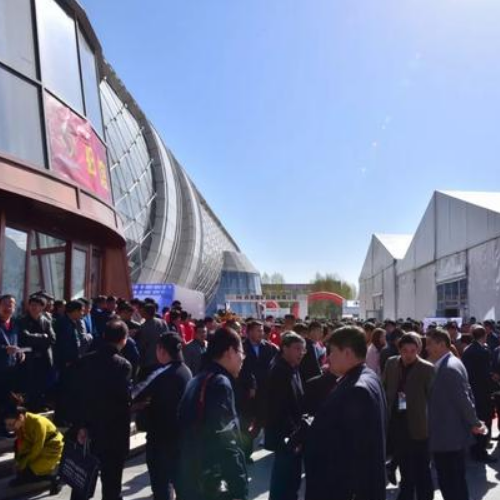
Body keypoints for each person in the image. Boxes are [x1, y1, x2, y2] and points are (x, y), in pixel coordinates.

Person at [305, 325, 387, 500]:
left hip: (345, 489)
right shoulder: (367, 376)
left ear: (347, 353)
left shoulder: (357, 389)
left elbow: (355, 450)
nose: (328, 357)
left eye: (332, 352)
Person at [177, 327, 248, 500]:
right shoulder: (220, 383)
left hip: (190, 474)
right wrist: (239, 488)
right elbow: (226, 440)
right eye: (241, 352)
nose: (243, 358)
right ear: (230, 352)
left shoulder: (198, 379)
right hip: (212, 481)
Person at [70, 320, 132, 500]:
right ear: (124, 339)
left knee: (81, 481)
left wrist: (80, 425)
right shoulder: (123, 365)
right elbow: (123, 400)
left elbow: (76, 396)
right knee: (111, 484)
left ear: (104, 336)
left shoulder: (85, 360)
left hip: (88, 429)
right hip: (113, 432)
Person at [426, 328, 486, 500]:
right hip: (450, 435)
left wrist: (475, 423)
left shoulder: (448, 368)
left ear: (442, 344)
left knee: (451, 482)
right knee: (454, 481)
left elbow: (464, 400)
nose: (427, 347)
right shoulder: (451, 362)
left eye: (430, 344)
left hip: (448, 436)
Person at [133, 334, 192, 500]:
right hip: (181, 436)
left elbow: (135, 394)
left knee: (161, 484)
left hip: (160, 437)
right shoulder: (186, 371)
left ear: (161, 350)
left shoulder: (162, 372)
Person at [383, 332, 435, 500]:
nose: (409, 355)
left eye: (413, 350)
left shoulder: (427, 368)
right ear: (399, 350)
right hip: (397, 420)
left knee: (422, 468)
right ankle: (405, 494)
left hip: (419, 424)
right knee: (405, 465)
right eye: (405, 350)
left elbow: (433, 398)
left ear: (418, 350)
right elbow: (385, 386)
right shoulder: (391, 363)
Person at [265, 332, 306, 500]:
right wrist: (293, 437)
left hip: (292, 434)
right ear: (285, 348)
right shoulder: (280, 370)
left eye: (303, 350)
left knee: (291, 479)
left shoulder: (292, 367)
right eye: (297, 349)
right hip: (286, 436)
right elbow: (279, 408)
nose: (301, 353)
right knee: (283, 480)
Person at [4, 394, 63, 494]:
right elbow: (22, 443)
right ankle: (21, 478)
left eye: (11, 424)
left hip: (51, 448)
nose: (9, 428)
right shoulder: (22, 423)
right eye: (7, 425)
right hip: (36, 446)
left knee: (29, 471)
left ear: (20, 417)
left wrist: (23, 463)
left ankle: (54, 479)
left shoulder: (37, 422)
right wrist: (18, 461)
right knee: (17, 450)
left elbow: (38, 447)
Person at [237, 320, 278, 460]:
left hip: (264, 392)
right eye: (258, 330)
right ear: (249, 332)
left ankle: (257, 443)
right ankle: (245, 453)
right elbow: (241, 370)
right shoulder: (241, 347)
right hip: (247, 392)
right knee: (246, 422)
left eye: (262, 330)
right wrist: (250, 384)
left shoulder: (270, 348)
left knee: (260, 422)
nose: (261, 333)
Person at [461, 325, 496, 462]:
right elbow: (486, 374)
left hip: (472, 391)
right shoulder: (483, 352)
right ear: (484, 335)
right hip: (483, 393)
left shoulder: (467, 350)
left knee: (475, 421)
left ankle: (474, 450)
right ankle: (480, 452)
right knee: (485, 421)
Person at [18, 295, 56, 411]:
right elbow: (25, 337)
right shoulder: (22, 321)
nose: (33, 308)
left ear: (42, 307)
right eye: (31, 305)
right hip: (29, 358)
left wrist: (36, 338)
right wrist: (42, 337)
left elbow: (52, 339)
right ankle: (30, 408)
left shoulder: (46, 321)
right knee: (30, 385)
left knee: (42, 384)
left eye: (37, 305)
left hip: (44, 357)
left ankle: (39, 406)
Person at [0, 294, 25, 420]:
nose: (8, 307)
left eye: (11, 305)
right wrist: (4, 349)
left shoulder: (15, 324)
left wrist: (21, 352)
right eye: (5, 304)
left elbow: (16, 343)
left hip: (11, 368)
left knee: (8, 401)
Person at [135, 302, 169, 379]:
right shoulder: (162, 322)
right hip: (162, 358)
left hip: (148, 361)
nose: (141, 313)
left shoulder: (144, 327)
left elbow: (141, 346)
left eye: (143, 312)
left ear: (146, 313)